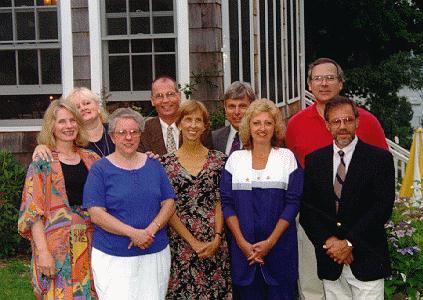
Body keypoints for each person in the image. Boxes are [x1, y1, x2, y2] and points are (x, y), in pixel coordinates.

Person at [285, 57, 389, 300]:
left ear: (340, 83)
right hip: (317, 227)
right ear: (309, 84)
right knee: (312, 287)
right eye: (318, 78)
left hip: (362, 231)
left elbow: (381, 194)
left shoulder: (368, 122)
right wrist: (329, 240)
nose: (324, 83)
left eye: (330, 78)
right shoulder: (296, 124)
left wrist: (349, 242)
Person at [300, 96, 395, 300]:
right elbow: (308, 211)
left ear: (357, 122)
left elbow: (381, 208)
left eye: (348, 120)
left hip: (367, 260)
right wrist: (331, 242)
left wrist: (349, 243)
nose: (342, 126)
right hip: (331, 261)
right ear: (327, 125)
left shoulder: (380, 159)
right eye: (336, 121)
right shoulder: (315, 161)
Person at [82, 107, 176, 299]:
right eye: (122, 133)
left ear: (140, 135)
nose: (128, 137)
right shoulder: (100, 169)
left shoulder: (154, 165)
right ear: (112, 137)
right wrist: (133, 233)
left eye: (134, 132)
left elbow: (169, 203)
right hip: (113, 256)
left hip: (154, 252)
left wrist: (150, 230)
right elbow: (96, 214)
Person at [220, 99, 303, 300]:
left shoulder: (287, 158)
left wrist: (270, 242)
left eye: (268, 123)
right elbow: (227, 203)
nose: (262, 128)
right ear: (248, 126)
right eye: (256, 123)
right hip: (244, 253)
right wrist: (241, 242)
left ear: (276, 127)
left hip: (279, 249)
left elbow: (293, 203)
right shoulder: (235, 160)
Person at [18, 98, 99, 299]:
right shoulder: (42, 163)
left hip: (92, 245)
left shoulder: (92, 159)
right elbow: (33, 212)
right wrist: (43, 253)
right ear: (51, 126)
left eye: (73, 120)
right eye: (62, 121)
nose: (69, 126)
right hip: (56, 248)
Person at [161, 100, 232, 299]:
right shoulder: (165, 164)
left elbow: (221, 201)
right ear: (179, 123)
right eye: (188, 119)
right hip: (180, 246)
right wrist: (192, 242)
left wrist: (217, 238)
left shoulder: (220, 161)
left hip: (214, 243)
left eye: (198, 120)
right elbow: (168, 207)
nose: (193, 125)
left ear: (205, 126)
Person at [32, 87, 115, 160]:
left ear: (98, 107)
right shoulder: (72, 137)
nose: (83, 108)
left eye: (87, 103)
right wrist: (41, 147)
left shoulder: (115, 130)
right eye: (77, 107)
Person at [139, 75, 213, 155]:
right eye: (159, 96)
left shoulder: (197, 128)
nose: (165, 100)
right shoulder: (143, 131)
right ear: (152, 101)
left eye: (170, 94)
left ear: (179, 96)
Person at [212, 81, 256, 155]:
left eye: (242, 106)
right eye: (231, 106)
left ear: (252, 107)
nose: (236, 112)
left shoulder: (260, 138)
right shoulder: (214, 138)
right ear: (225, 108)